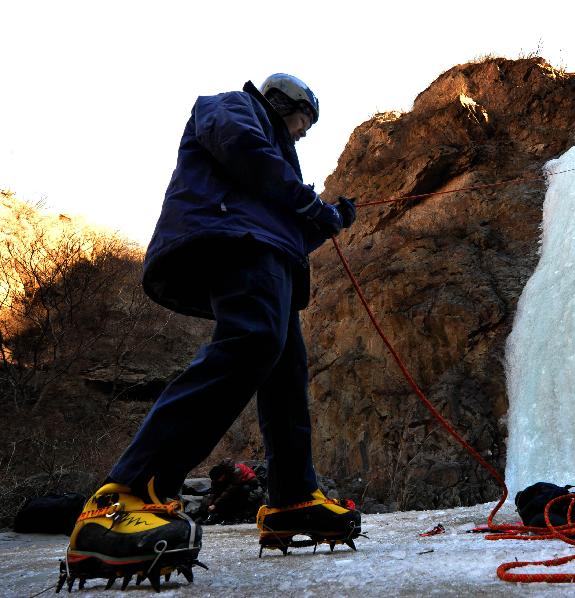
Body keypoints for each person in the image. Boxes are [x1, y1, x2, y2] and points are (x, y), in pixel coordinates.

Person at [58, 73, 360, 592]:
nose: (303, 133)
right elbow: (243, 151)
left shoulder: (277, 158)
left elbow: (282, 217)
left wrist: (327, 221)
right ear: (284, 100)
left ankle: (292, 499)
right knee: (253, 341)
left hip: (270, 255)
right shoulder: (230, 107)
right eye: (303, 121)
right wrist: (306, 201)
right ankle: (124, 495)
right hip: (234, 242)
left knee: (285, 375)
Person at [201, 460, 264, 525]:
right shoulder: (217, 474)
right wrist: (210, 504)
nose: (217, 481)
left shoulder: (236, 472)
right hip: (237, 483)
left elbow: (229, 491)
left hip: (249, 483)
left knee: (241, 491)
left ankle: (240, 515)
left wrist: (215, 504)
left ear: (222, 475)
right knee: (222, 493)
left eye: (218, 479)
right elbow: (213, 492)